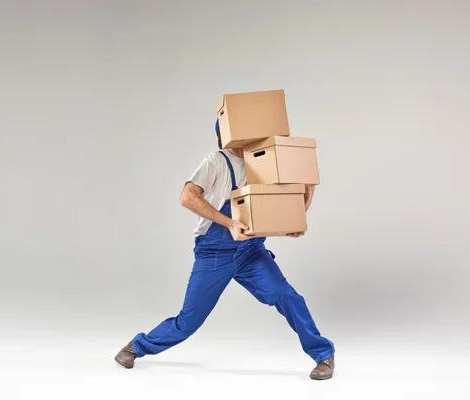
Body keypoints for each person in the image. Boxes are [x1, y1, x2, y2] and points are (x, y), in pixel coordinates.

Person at [114, 119, 335, 380]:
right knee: (188, 322)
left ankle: (323, 355)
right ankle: (136, 347)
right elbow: (187, 197)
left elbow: (273, 212)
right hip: (214, 253)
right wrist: (229, 223)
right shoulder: (216, 162)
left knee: (286, 296)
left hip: (250, 251)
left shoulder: (263, 164)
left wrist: (295, 216)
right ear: (228, 135)